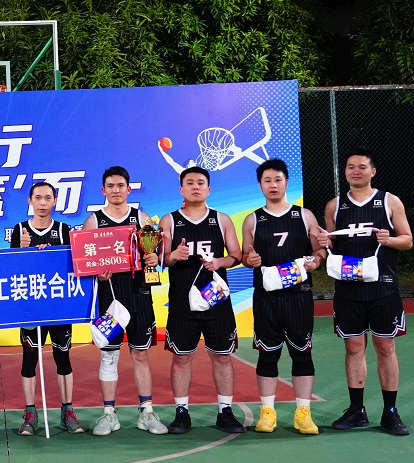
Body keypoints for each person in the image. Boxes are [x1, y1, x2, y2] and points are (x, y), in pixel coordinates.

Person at [316, 147, 413, 436]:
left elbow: (407, 240)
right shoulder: (335, 206)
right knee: (354, 347)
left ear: (373, 171)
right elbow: (331, 244)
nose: (355, 171)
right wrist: (324, 242)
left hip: (383, 287)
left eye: (361, 166)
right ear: (344, 172)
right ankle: (356, 410)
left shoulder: (389, 201)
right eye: (350, 167)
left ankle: (390, 412)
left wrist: (389, 239)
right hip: (348, 288)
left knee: (385, 347)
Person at [240, 160, 326, 435]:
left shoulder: (305, 216)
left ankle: (303, 413)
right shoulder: (253, 220)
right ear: (260, 185)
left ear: (287, 183)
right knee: (268, 355)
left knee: (302, 354)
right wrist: (250, 260)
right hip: (266, 298)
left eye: (278, 179)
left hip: (298, 296)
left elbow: (319, 251)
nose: (273, 185)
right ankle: (267, 412)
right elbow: (246, 256)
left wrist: (316, 261)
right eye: (267, 180)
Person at [160, 166, 245, 434]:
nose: (195, 187)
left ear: (208, 189)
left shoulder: (222, 219)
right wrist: (174, 256)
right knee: (181, 358)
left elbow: (236, 255)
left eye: (200, 183)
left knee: (222, 357)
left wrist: (220, 262)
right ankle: (181, 413)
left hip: (216, 300)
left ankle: (225, 411)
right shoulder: (169, 221)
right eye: (190, 183)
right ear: (181, 189)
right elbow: (161, 259)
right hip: (182, 303)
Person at [82, 166, 166, 436]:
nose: (116, 190)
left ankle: (146, 412)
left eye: (120, 185)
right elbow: (85, 264)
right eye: (110, 186)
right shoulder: (93, 222)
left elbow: (152, 256)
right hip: (109, 298)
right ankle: (109, 414)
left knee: (140, 354)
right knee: (109, 356)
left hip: (139, 294)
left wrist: (153, 259)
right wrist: (97, 274)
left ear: (129, 189)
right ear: (103, 190)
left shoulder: (142, 219)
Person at [9, 181, 83, 435]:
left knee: (63, 357)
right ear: (29, 201)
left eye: (47, 198)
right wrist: (23, 250)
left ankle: (67, 411)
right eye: (38, 197)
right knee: (29, 359)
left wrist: (55, 254)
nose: (42, 202)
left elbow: (74, 266)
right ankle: (30, 413)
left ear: (54, 201)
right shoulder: (19, 230)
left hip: (58, 307)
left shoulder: (63, 230)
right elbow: (10, 269)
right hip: (31, 307)